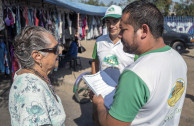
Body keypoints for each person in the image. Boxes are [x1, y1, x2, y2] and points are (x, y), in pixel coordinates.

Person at [91, 1, 187, 126]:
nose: (119, 35)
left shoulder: (134, 75)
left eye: (123, 29)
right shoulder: (178, 59)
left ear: (144, 30)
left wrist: (99, 104)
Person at [9, 26, 66, 125]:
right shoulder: (31, 91)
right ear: (37, 56)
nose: (59, 52)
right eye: (55, 49)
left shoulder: (34, 75)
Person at [92, 4, 135, 84]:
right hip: (103, 91)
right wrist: (94, 84)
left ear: (122, 21)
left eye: (115, 21)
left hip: (123, 92)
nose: (111, 26)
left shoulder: (132, 43)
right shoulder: (99, 41)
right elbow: (95, 63)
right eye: (108, 21)